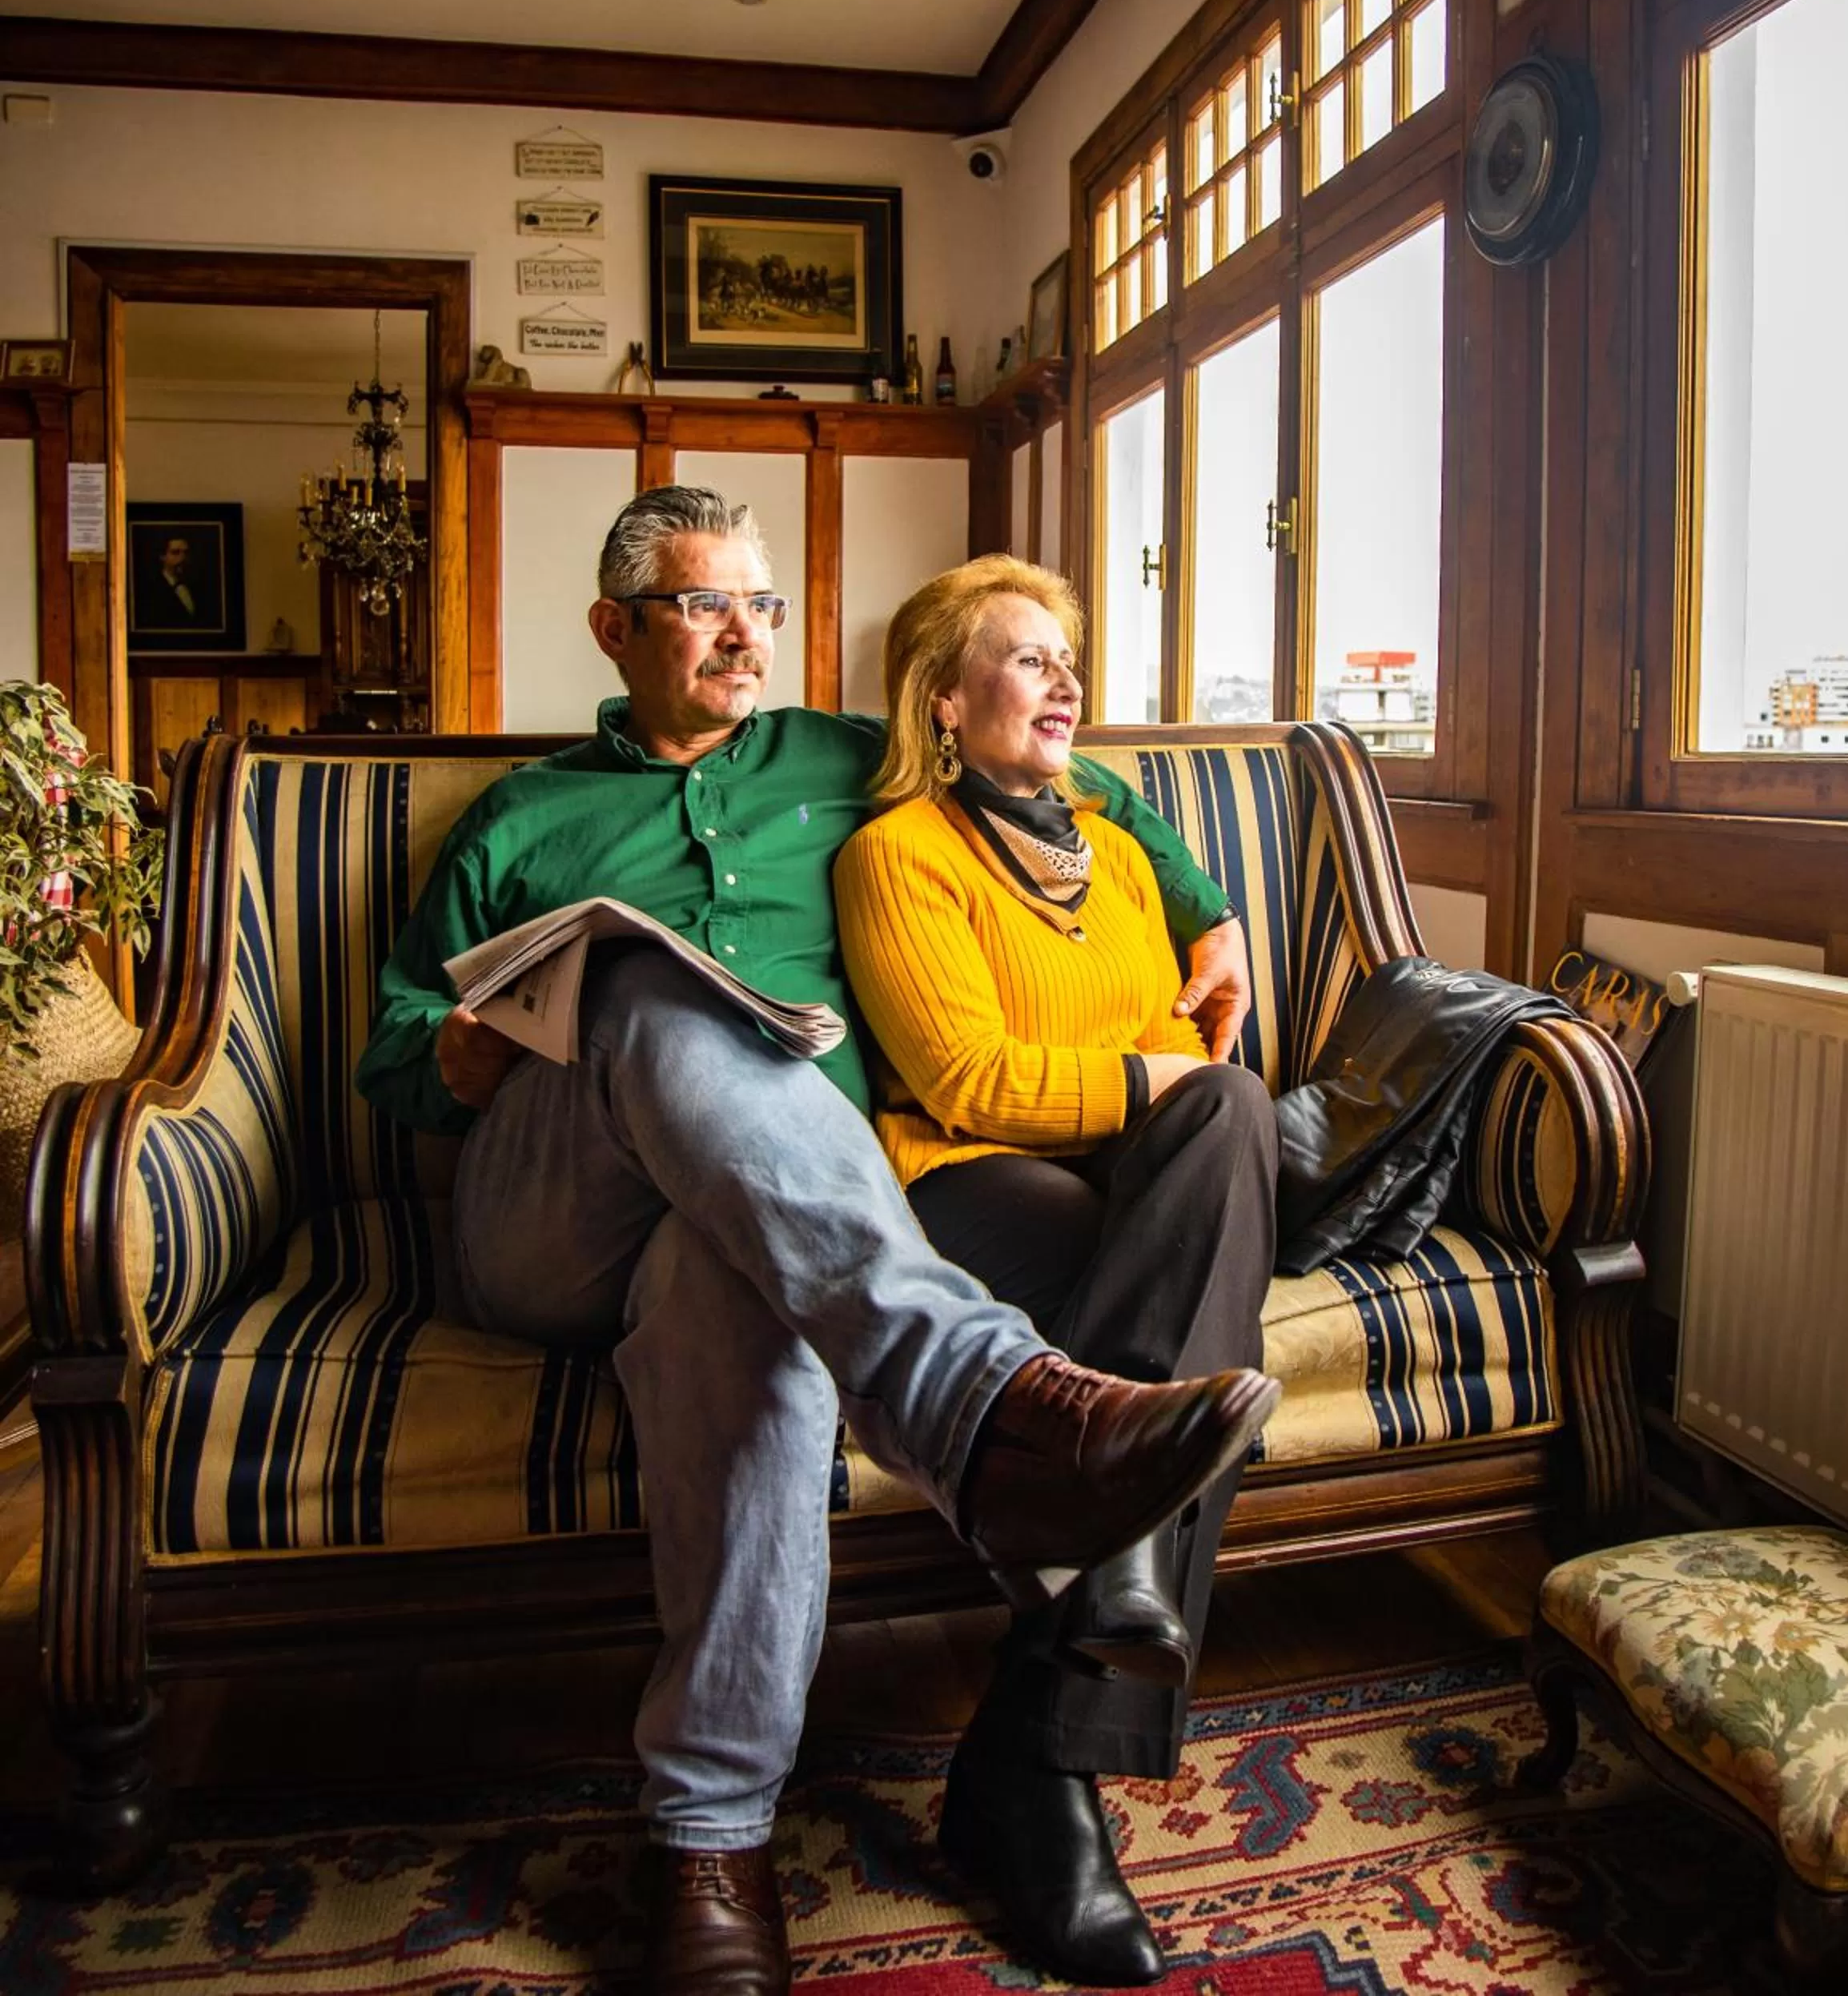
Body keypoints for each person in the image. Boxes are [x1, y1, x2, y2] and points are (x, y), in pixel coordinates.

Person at [356, 486, 1270, 1996]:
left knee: (753, 1306)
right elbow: (391, 1052)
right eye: (705, 605)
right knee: (644, 977)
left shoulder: (843, 761)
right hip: (555, 1211)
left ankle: (711, 1844)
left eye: (762, 606)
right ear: (614, 629)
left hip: (772, 1224)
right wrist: (452, 1048)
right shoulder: (521, 817)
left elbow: (1071, 770)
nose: (745, 636)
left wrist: (1204, 904)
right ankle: (982, 1403)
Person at [834, 556, 1280, 1987]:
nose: (1067, 681)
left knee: (1231, 1110)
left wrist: (1167, 1081)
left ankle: (1044, 1737)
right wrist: (1151, 1082)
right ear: (943, 698)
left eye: (1068, 658)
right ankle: (1094, 1636)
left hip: (1121, 1179)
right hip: (968, 1182)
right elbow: (964, 1077)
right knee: (1203, 1175)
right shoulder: (897, 854)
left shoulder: (1123, 856)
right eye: (1028, 657)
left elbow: (1184, 1048)